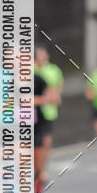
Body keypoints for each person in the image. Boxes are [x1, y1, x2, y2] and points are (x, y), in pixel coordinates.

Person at [34, 46, 63, 181]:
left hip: (48, 111)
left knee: (46, 142)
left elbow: (57, 91)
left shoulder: (53, 70)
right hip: (28, 115)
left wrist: (50, 98)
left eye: (42, 54)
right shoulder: (29, 70)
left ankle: (42, 169)